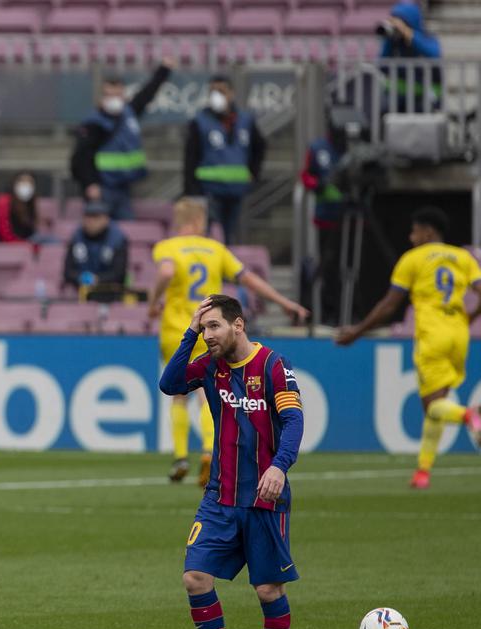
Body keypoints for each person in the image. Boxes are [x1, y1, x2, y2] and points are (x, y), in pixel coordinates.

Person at [160, 294, 304, 629]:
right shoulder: (209, 366)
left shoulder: (273, 365)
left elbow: (294, 420)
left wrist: (279, 467)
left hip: (263, 497)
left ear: (238, 325)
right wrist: (188, 332)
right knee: (194, 577)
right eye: (204, 329)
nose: (208, 336)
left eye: (214, 327)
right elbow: (170, 384)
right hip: (219, 497)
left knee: (267, 591)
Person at [149, 198, 309, 487]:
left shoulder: (167, 246)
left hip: (179, 328)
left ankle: (180, 456)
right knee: (209, 391)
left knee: (180, 394)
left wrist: (153, 301)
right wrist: (285, 303)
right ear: (200, 222)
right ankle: (210, 449)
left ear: (179, 222)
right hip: (216, 329)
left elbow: (166, 272)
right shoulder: (215, 249)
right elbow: (248, 279)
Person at [336, 207, 481, 488]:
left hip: (432, 334)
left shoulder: (413, 259)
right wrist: (470, 318)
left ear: (428, 232)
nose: (411, 236)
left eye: (415, 231)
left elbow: (389, 305)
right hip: (459, 334)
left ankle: (469, 414)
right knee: (437, 403)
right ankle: (423, 472)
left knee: (433, 407)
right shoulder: (464, 257)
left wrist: (357, 331)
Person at [71, 60, 174, 220]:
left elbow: (147, 93)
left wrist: (164, 70)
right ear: (101, 97)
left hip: (125, 187)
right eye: (109, 95)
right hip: (102, 187)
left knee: (126, 231)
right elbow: (80, 158)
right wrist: (90, 184)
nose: (114, 99)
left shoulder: (129, 113)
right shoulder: (93, 124)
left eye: (117, 95)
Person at [184, 76, 266, 245]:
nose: (216, 95)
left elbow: (260, 146)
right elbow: (190, 157)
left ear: (231, 94)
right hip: (209, 191)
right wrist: (192, 191)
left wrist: (254, 173)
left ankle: (226, 270)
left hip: (235, 191)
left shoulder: (245, 120)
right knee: (208, 237)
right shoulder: (200, 121)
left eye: (221, 91)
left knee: (228, 239)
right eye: (212, 91)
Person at [299, 128, 346, 326]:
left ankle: (350, 312)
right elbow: (305, 177)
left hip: (352, 220)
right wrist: (320, 184)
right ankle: (329, 313)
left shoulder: (355, 146)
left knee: (347, 268)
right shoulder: (317, 148)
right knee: (328, 268)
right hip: (326, 219)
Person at [378, 1, 442, 113]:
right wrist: (389, 39)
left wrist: (409, 34)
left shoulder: (427, 37)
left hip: (424, 95)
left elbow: (434, 54)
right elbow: (382, 64)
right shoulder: (394, 42)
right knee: (385, 112)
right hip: (398, 95)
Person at [62, 201, 128, 303]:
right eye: (88, 216)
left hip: (110, 295)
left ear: (106, 219)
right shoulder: (76, 237)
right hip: (80, 293)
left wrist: (97, 279)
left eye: (95, 217)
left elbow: (119, 273)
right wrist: (82, 278)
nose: (90, 221)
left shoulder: (117, 239)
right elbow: (67, 272)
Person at [0, 172, 39, 246]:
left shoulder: (29, 204)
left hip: (20, 246)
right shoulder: (3, 201)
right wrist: (27, 245)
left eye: (29, 182)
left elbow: (29, 232)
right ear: (14, 183)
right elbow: (4, 234)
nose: (26, 185)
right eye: (22, 181)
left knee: (50, 241)